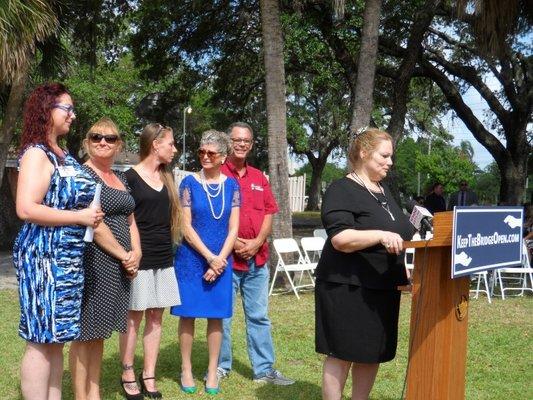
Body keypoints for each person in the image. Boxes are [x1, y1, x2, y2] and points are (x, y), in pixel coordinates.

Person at [13, 83, 104, 399]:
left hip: (67, 261)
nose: (73, 115)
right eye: (67, 108)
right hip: (43, 258)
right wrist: (79, 218)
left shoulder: (63, 156)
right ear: (46, 110)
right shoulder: (37, 154)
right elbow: (26, 207)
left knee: (56, 339)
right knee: (40, 340)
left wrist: (89, 214)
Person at [315, 128, 413, 400]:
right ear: (363, 153)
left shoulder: (383, 192)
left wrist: (404, 270)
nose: (390, 162)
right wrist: (380, 235)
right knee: (342, 353)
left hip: (382, 288)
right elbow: (341, 238)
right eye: (384, 155)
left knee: (372, 352)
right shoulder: (341, 189)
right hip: (347, 287)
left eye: (390, 156)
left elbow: (400, 234)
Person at [69, 118, 141, 400]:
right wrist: (125, 255)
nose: (103, 142)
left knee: (99, 332)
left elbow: (131, 220)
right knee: (84, 333)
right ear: (87, 142)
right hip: (93, 263)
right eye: (96, 137)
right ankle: (80, 395)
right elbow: (95, 226)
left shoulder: (120, 178)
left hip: (120, 266)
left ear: (119, 145)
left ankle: (94, 391)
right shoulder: (83, 175)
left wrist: (136, 254)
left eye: (110, 138)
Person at [217, 122, 295, 385]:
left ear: (251, 145)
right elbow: (214, 216)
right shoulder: (217, 174)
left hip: (257, 261)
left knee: (259, 317)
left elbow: (270, 212)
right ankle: (221, 366)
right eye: (237, 139)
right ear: (228, 141)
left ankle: (263, 370)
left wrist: (258, 241)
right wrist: (236, 242)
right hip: (227, 259)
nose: (241, 144)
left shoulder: (259, 177)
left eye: (246, 141)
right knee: (223, 316)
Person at [170, 130, 240, 395]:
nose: (205, 156)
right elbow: (185, 226)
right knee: (187, 315)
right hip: (191, 259)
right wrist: (209, 258)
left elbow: (233, 228)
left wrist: (219, 259)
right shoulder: (188, 183)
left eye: (211, 153)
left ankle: (213, 370)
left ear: (223, 156)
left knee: (216, 317)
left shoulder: (232, 186)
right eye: (201, 152)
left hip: (222, 259)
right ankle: (186, 368)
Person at [120, 123, 183, 399]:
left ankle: (149, 374)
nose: (175, 149)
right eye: (171, 143)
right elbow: (121, 220)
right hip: (138, 256)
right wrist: (129, 254)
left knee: (156, 317)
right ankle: (127, 371)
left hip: (163, 255)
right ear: (155, 144)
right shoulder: (128, 178)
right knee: (133, 316)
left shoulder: (169, 177)